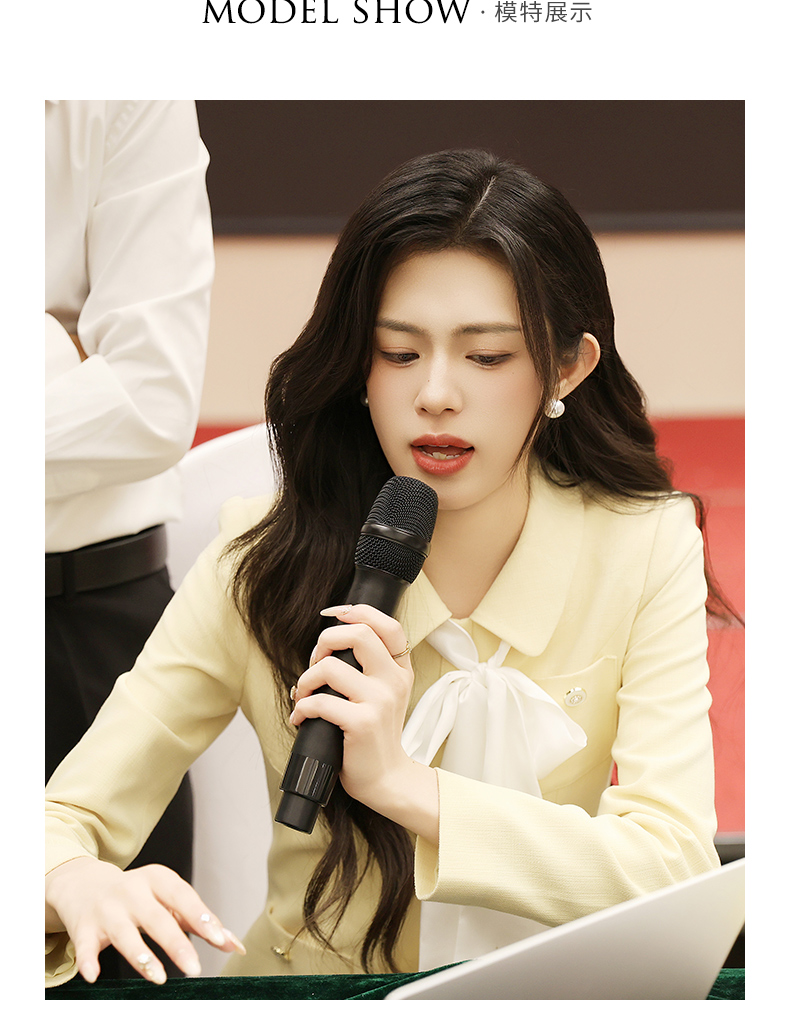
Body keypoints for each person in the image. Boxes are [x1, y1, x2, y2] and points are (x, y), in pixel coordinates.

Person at [45, 148, 734, 989]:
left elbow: (674, 864)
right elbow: (60, 817)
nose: (435, 394)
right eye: (399, 353)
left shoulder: (644, 546)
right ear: (358, 369)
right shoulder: (261, 557)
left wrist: (405, 787)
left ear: (567, 367)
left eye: (487, 357)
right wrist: (68, 877)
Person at [45, 100, 214, 976]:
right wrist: (55, 354)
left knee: (117, 984)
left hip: (77, 622)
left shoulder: (121, 86)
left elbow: (149, 402)